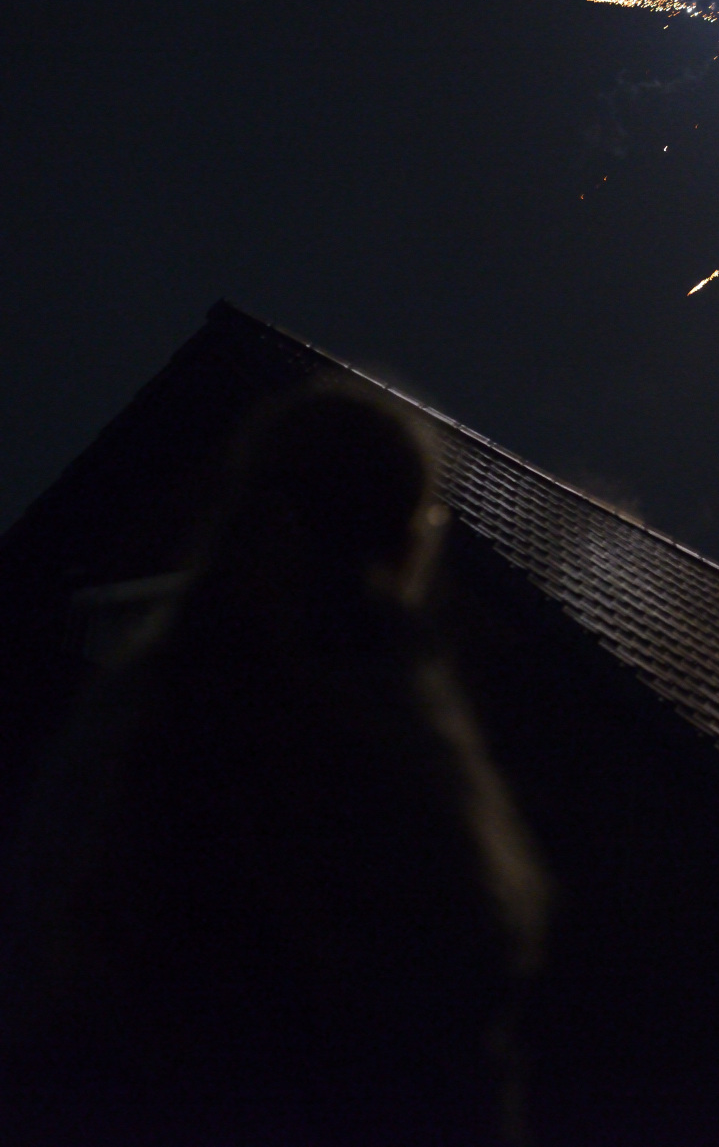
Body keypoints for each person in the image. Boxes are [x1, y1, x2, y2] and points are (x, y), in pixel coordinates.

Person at [1, 383, 549, 1144]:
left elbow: (39, 958)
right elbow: (458, 1026)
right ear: (407, 541)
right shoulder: (410, 746)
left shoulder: (134, 707)